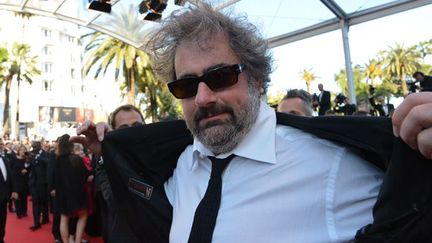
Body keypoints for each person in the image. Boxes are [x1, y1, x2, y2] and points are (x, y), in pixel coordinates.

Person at [73, 5, 432, 242]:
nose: (202, 98)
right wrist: (106, 150)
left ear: (258, 79)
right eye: (185, 85)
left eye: (221, 76)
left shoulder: (336, 165)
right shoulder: (177, 168)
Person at [72, 104, 144, 243]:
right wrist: (106, 152)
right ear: (114, 132)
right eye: (124, 128)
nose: (131, 132)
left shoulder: (162, 156)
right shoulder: (109, 163)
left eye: (137, 126)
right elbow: (116, 199)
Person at [54, 134, 89, 243]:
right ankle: (77, 241)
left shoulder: (57, 160)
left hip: (62, 193)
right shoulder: (77, 159)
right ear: (71, 145)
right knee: (83, 215)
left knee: (64, 218)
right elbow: (86, 175)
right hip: (78, 192)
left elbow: (55, 177)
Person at [28, 140, 50, 231]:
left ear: (39, 146)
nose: (34, 148)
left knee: (44, 201)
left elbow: (48, 162)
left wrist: (38, 157)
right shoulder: (31, 154)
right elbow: (30, 167)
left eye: (35, 147)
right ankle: (36, 223)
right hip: (34, 182)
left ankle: (45, 218)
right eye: (33, 147)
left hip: (43, 182)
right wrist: (27, 161)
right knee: (36, 202)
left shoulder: (45, 154)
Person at [0, 139, 18, 243]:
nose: (1, 145)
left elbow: (10, 176)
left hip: (4, 198)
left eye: (1, 144)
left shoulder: (5, 160)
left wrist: (14, 190)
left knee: (2, 222)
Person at [11, 145, 30, 219]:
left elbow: (30, 168)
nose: (23, 151)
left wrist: (27, 171)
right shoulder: (14, 158)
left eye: (24, 149)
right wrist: (19, 171)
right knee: (17, 197)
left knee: (24, 197)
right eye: (21, 149)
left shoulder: (27, 159)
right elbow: (11, 169)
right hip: (16, 180)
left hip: (24, 180)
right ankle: (18, 212)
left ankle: (24, 211)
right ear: (18, 151)